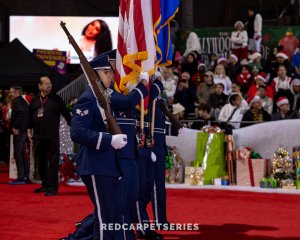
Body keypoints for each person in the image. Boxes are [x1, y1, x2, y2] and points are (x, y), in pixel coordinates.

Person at [70, 56, 128, 239]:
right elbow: (77, 133)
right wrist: (108, 140)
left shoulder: (103, 98)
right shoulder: (88, 99)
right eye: (106, 72)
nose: (111, 76)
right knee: (105, 215)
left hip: (107, 163)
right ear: (93, 75)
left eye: (111, 72)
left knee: (112, 212)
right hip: (95, 163)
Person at [29, 76, 71, 196]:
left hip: (52, 137)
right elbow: (30, 117)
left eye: (50, 83)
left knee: (53, 163)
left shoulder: (56, 99)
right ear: (40, 86)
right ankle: (45, 185)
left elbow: (66, 114)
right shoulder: (34, 100)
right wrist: (28, 130)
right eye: (46, 83)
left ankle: (52, 188)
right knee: (40, 163)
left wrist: (74, 126)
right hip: (37, 136)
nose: (49, 85)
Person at [8, 86, 30, 184]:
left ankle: (21, 177)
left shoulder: (18, 101)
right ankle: (25, 176)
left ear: (17, 92)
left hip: (19, 131)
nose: (10, 94)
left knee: (18, 154)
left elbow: (20, 114)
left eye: (12, 92)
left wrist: (15, 127)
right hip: (23, 130)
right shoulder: (22, 101)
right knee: (22, 154)